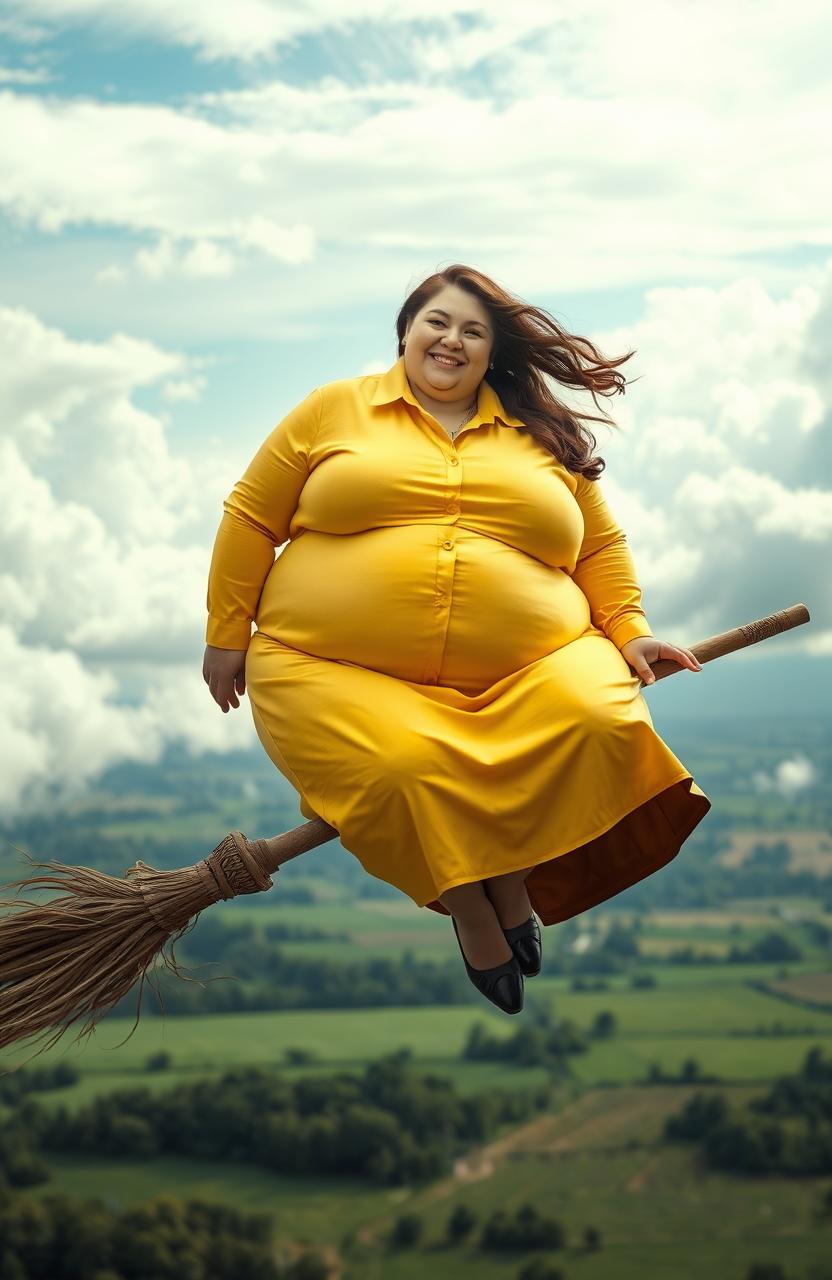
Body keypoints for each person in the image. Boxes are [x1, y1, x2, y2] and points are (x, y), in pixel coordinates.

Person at [203, 263, 710, 1016]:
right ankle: (478, 913)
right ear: (406, 330)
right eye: (437, 321)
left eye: (474, 331)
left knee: (596, 719)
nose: (452, 339)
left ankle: (509, 880)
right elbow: (251, 516)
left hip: (530, 672)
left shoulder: (543, 436)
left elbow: (598, 549)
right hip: (331, 668)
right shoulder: (331, 411)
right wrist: (226, 633)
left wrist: (630, 633)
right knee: (407, 765)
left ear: (491, 352)